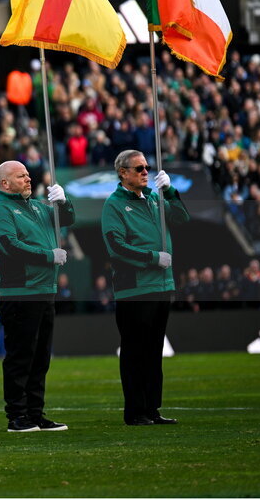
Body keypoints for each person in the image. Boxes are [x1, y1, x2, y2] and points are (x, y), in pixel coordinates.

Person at [101, 150, 190, 426]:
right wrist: (153, 258)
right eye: (138, 168)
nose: (145, 172)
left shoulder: (154, 198)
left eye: (146, 168)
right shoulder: (113, 205)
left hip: (162, 285)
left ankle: (152, 409)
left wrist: (171, 191)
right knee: (134, 351)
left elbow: (182, 219)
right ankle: (135, 411)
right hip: (135, 289)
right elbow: (116, 247)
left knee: (153, 351)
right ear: (123, 173)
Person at [0, 160, 74, 433]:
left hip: (44, 291)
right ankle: (17, 415)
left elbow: (67, 219)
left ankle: (35, 413)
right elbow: (11, 246)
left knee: (40, 357)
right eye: (20, 176)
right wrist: (49, 256)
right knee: (21, 356)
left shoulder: (36, 207)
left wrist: (63, 202)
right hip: (20, 293)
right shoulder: (0, 211)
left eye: (27, 174)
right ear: (4, 183)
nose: (28, 179)